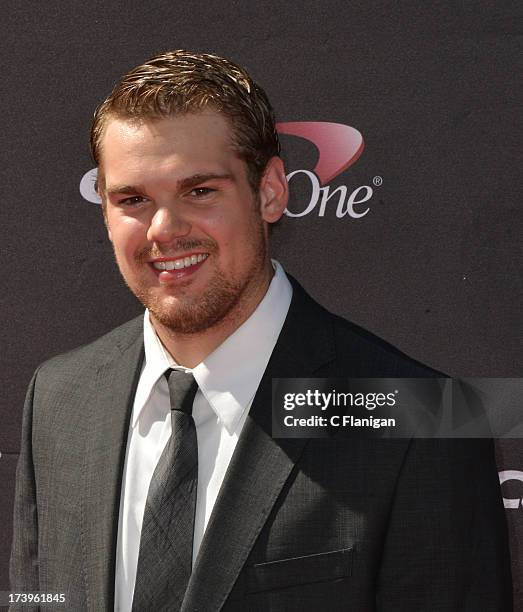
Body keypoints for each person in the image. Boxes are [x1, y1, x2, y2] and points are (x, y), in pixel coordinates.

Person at [10, 50, 512, 611]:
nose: (164, 230)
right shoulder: (59, 397)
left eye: (199, 191)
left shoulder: (421, 422)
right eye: (132, 199)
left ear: (270, 191)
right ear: (103, 209)